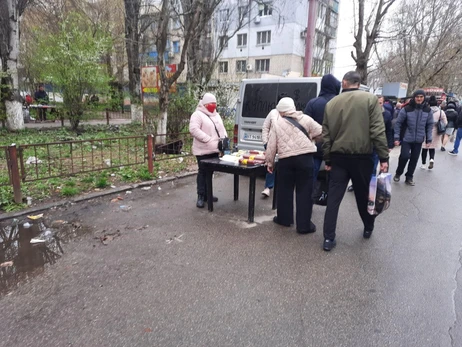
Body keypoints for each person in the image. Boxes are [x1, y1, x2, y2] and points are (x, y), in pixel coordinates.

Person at [321, 71, 389, 251]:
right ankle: (368, 227)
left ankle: (328, 238)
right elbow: (377, 130)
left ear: (344, 83)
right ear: (358, 83)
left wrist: (327, 158)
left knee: (334, 199)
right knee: (363, 195)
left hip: (338, 157)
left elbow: (326, 136)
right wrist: (383, 157)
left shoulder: (331, 103)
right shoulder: (370, 100)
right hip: (362, 157)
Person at [265, 97, 322, 234]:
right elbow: (321, 132)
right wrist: (312, 140)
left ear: (281, 111)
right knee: (304, 192)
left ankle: (284, 220)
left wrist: (270, 163)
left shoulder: (277, 123)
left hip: (286, 160)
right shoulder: (306, 119)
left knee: (284, 190)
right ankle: (304, 226)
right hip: (305, 159)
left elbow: (271, 145)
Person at [347, 95, 393, 192]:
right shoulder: (365, 113)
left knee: (372, 167)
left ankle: (369, 187)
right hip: (363, 145)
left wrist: (389, 144)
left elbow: (388, 130)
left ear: (383, 103)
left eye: (380, 103)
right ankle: (356, 184)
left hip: (376, 145)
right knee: (359, 167)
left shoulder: (387, 114)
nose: (377, 105)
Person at [189, 93, 226, 208]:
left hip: (214, 149)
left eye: (215, 104)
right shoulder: (197, 115)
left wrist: (224, 140)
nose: (213, 106)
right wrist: (207, 139)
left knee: (210, 173)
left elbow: (222, 129)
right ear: (204, 104)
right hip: (202, 150)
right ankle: (200, 196)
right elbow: (193, 129)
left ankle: (208, 194)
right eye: (211, 104)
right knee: (202, 172)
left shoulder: (216, 115)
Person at [303, 74, 341, 183]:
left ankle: (309, 198)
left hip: (316, 147)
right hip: (335, 148)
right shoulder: (340, 103)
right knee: (334, 180)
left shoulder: (313, 103)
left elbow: (305, 125)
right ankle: (330, 199)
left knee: (311, 178)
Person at [393, 90, 434, 186]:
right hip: (407, 138)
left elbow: (429, 125)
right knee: (404, 156)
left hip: (419, 139)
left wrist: (429, 139)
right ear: (414, 97)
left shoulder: (427, 110)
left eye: (421, 97)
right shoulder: (406, 109)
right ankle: (399, 173)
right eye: (417, 97)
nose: (419, 99)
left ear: (424, 98)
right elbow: (398, 124)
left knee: (414, 159)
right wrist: (396, 138)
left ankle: (409, 177)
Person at [261, 93, 288, 197]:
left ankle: (281, 189)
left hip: (284, 145)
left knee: (283, 166)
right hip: (271, 144)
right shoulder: (273, 113)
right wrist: (266, 142)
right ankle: (268, 187)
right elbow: (265, 127)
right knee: (270, 164)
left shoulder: (289, 113)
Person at [420, 95, 447, 169]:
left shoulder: (425, 111)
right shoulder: (441, 112)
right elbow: (445, 122)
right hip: (435, 131)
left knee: (424, 148)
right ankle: (431, 159)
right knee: (432, 147)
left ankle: (423, 164)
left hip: (425, 131)